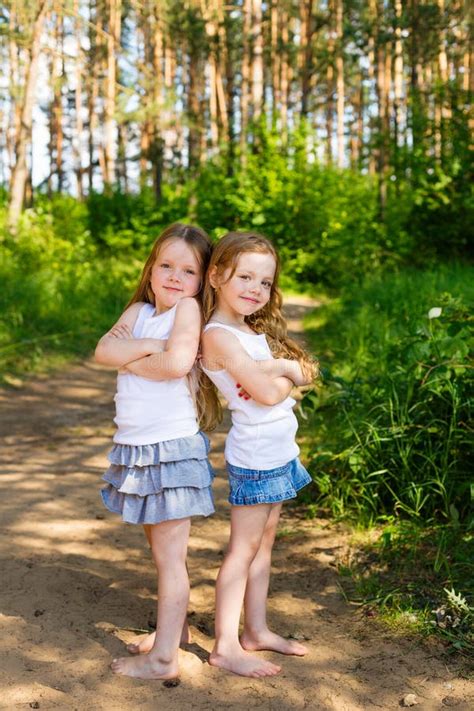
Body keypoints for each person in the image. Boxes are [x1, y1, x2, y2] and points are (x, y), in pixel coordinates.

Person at [95, 222, 217, 680]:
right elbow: (102, 350)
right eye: (165, 265)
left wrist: (128, 354)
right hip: (136, 447)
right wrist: (143, 346)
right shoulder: (140, 310)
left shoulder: (186, 311)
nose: (173, 276)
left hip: (169, 448)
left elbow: (176, 364)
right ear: (150, 270)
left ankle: (164, 658)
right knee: (160, 549)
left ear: (203, 281)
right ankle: (176, 632)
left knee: (169, 556)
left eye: (187, 269)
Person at [200, 231, 318, 678]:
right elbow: (271, 392)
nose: (255, 288)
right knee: (242, 550)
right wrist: (284, 372)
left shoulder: (251, 331)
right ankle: (226, 645)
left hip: (279, 450)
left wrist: (283, 369)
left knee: (264, 545)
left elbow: (308, 371)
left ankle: (256, 630)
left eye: (265, 282)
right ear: (216, 276)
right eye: (244, 276)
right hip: (256, 455)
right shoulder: (219, 336)